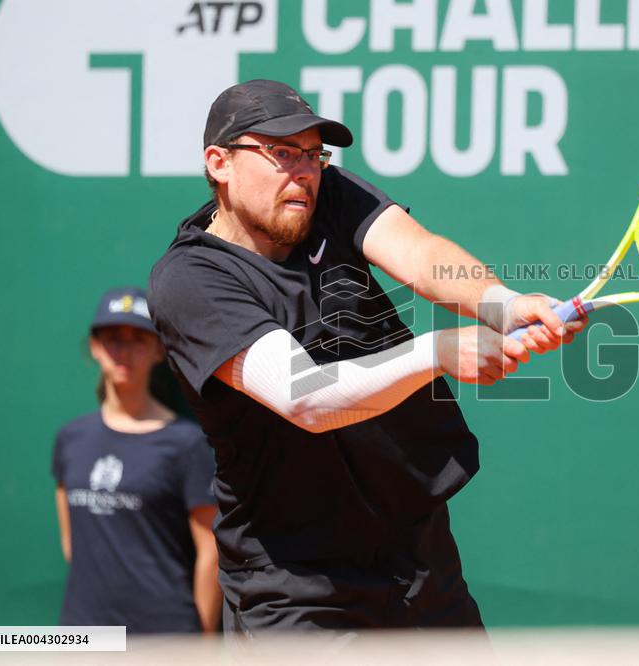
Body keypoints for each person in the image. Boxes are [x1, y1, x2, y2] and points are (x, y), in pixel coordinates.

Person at [147, 79, 583, 633]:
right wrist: (437, 351)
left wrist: (503, 304)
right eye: (282, 153)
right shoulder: (189, 280)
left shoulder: (327, 193)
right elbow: (305, 398)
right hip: (298, 588)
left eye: (313, 154)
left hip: (419, 559)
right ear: (220, 163)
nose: (305, 171)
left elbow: (420, 254)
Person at [52, 287, 221, 633]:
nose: (124, 351)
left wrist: (199, 645)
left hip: (162, 636)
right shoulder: (71, 439)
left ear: (158, 350)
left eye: (138, 339)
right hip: (84, 634)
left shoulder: (186, 443)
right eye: (113, 338)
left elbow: (211, 553)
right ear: (95, 346)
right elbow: (72, 545)